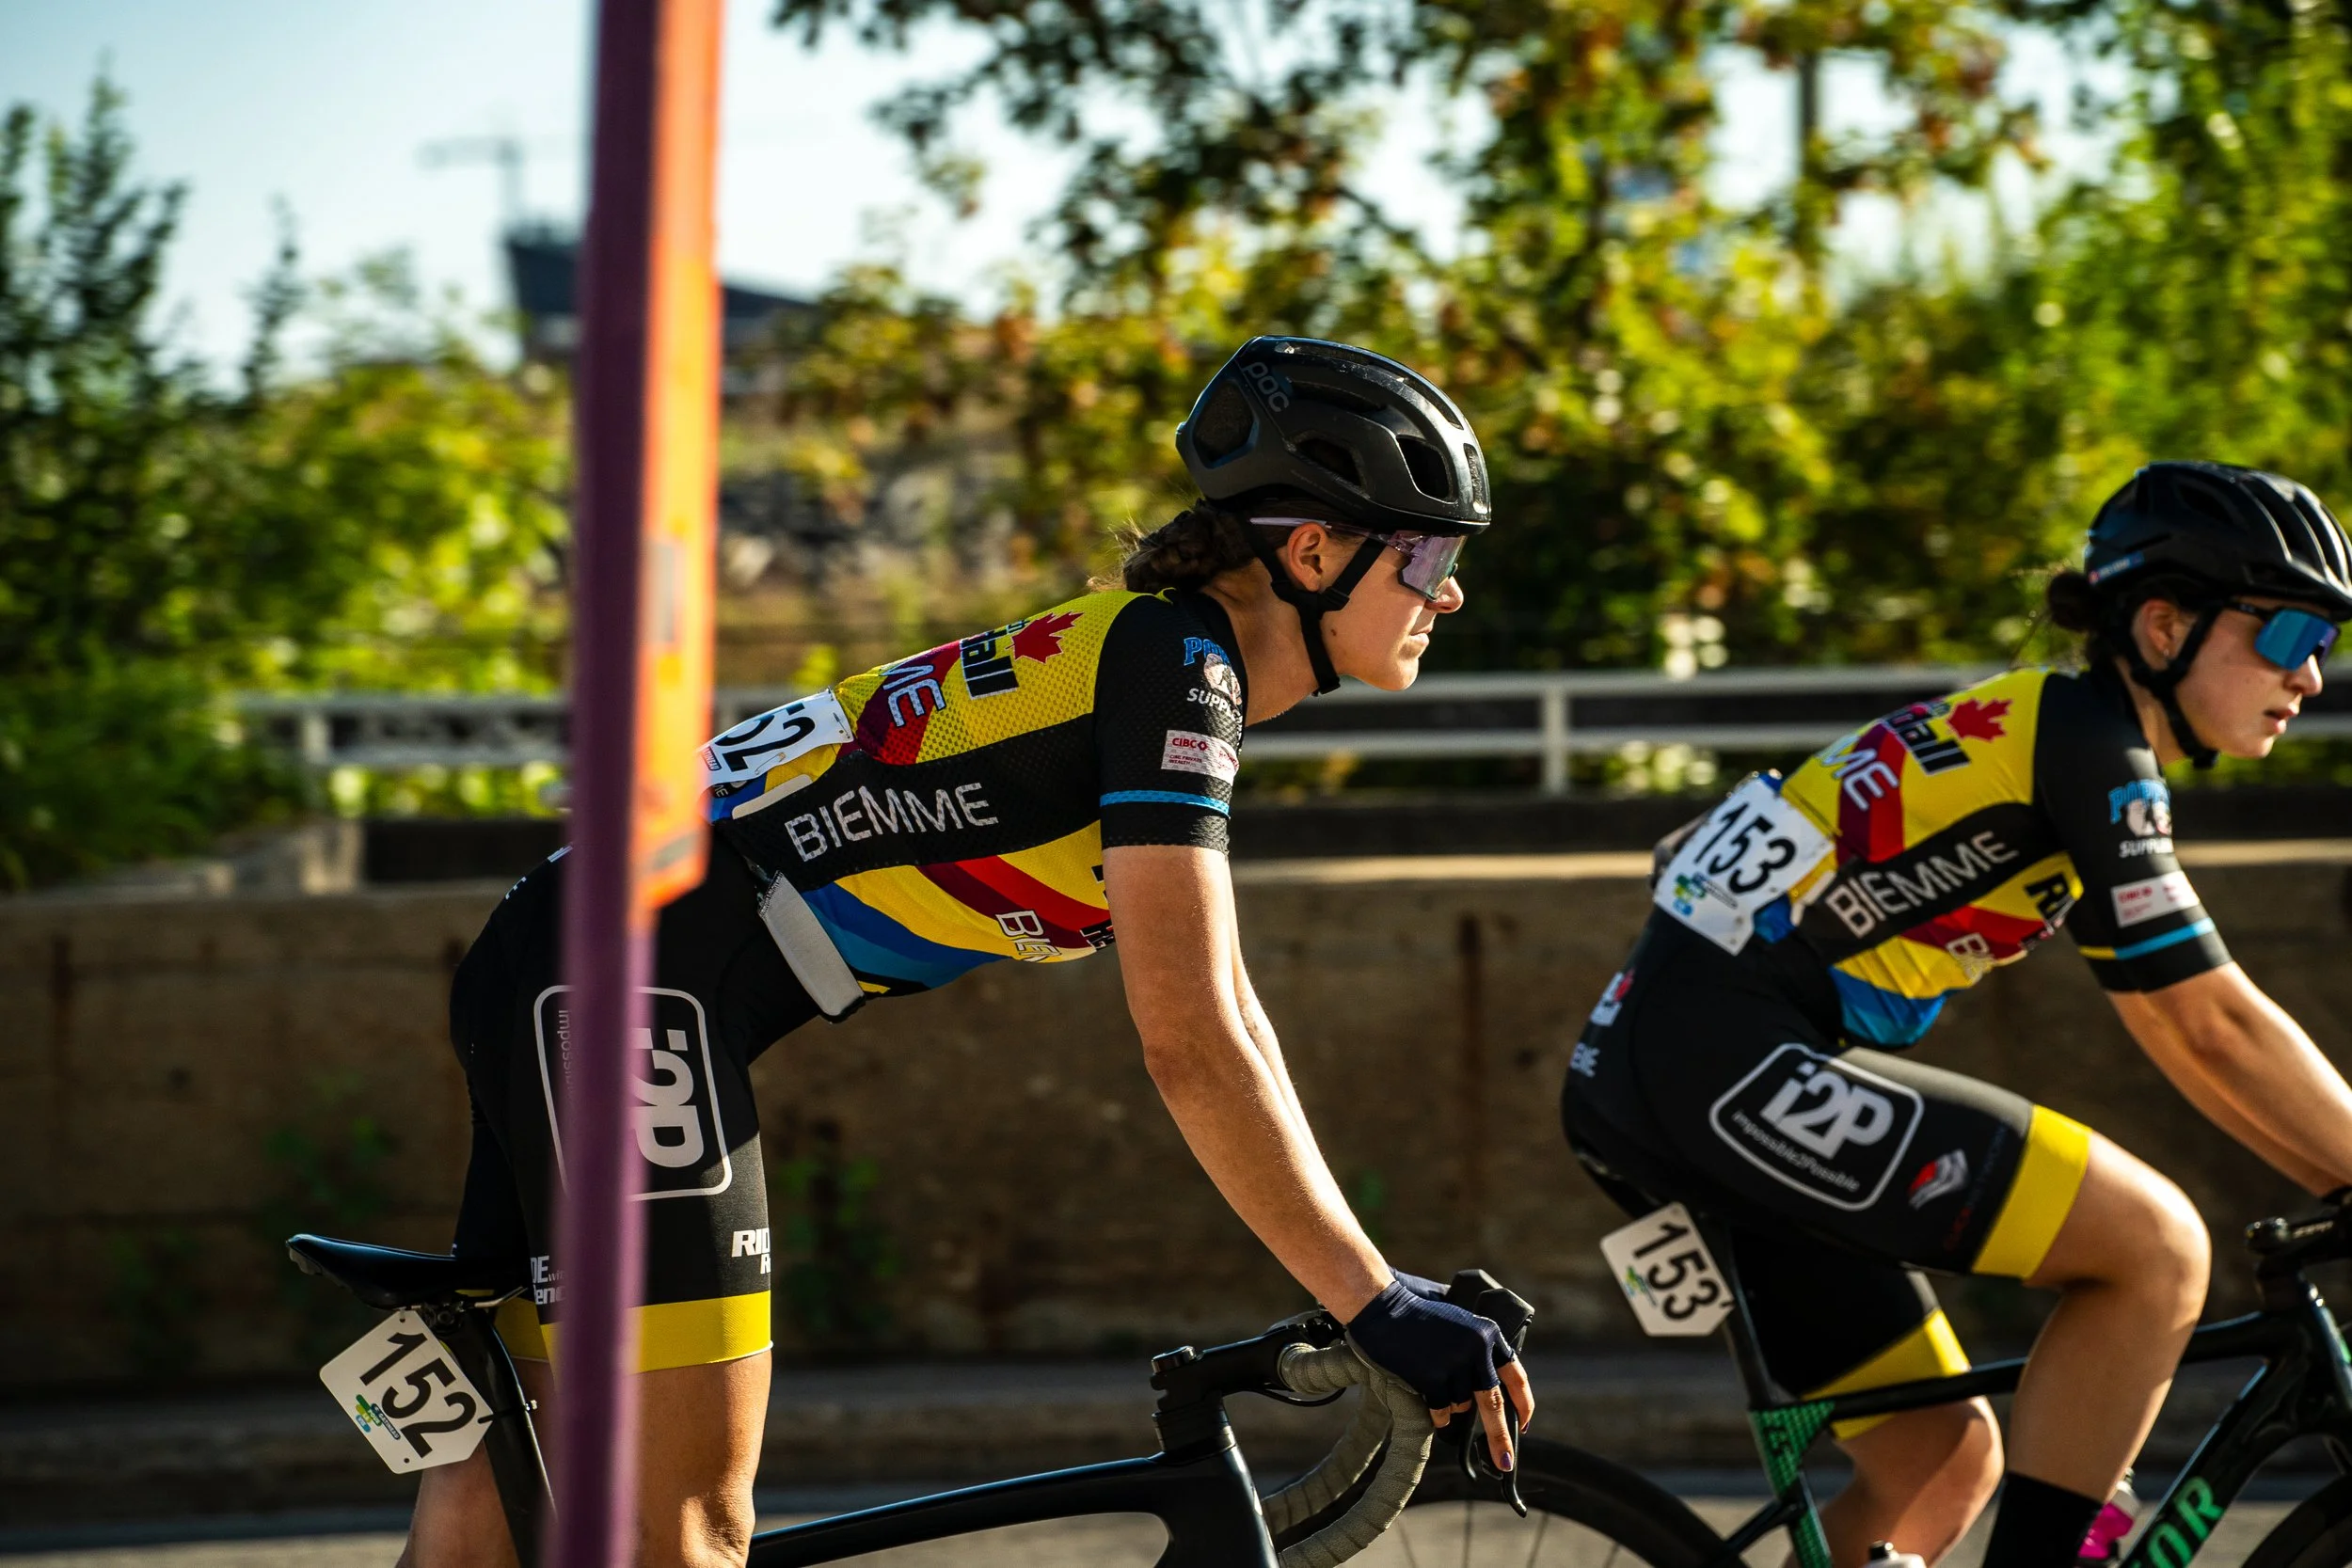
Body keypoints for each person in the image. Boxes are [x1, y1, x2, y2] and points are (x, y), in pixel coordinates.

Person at [405, 337, 1536, 1568]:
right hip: (620, 985)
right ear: (1312, 550)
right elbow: (1191, 1039)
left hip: (570, 955)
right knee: (683, 1532)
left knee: (501, 1514)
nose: (1451, 591)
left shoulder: (1159, 655)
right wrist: (1374, 1296)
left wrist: (1374, 1280)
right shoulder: (1178, 668)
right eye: (1427, 554)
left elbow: (1233, 1016)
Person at [1561, 461, 2352, 1568]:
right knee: (2158, 1248)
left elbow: (2185, 1032)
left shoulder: (2045, 731)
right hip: (1721, 1065)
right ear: (2164, 623)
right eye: (2288, 635)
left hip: (1672, 1067)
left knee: (1938, 1455)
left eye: (2326, 643)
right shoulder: (2088, 748)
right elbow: (2206, 1019)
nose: (2311, 674)